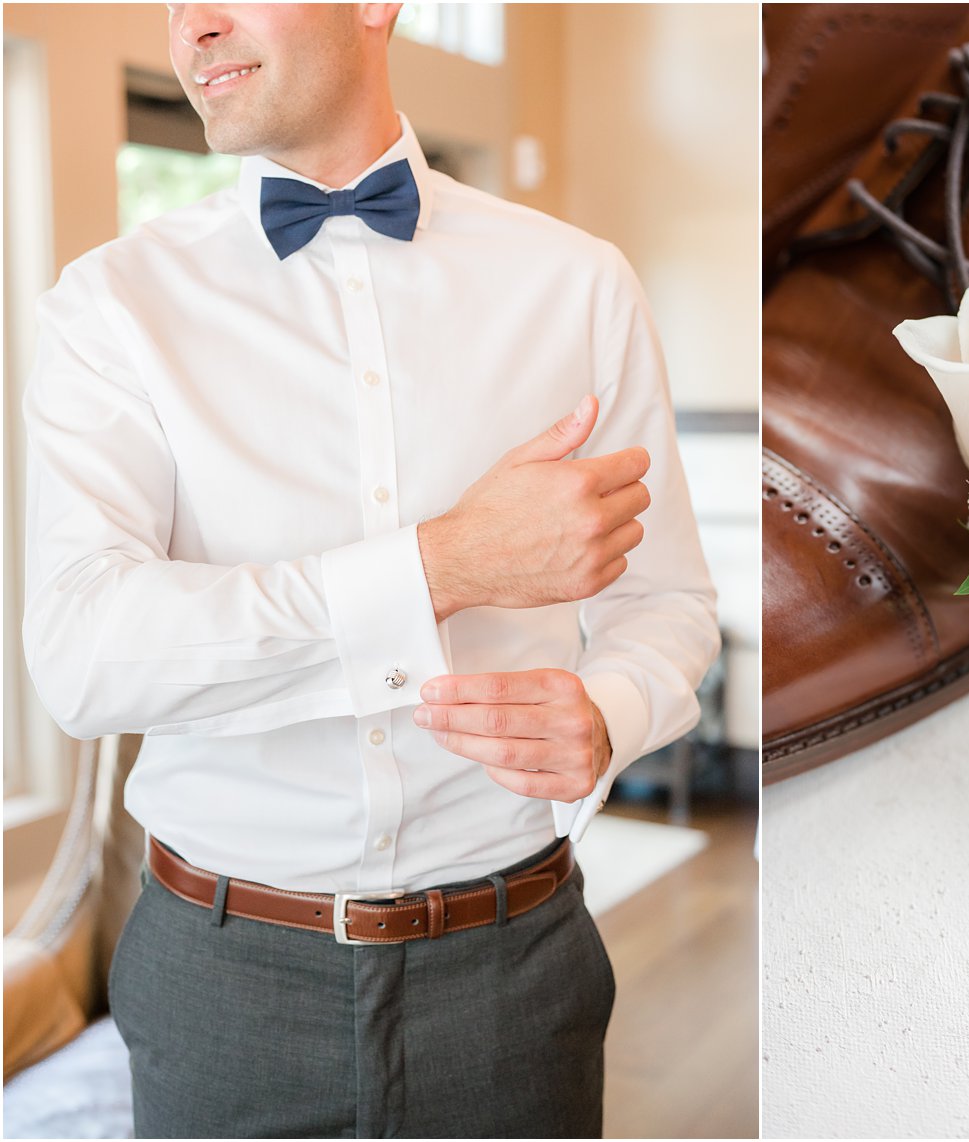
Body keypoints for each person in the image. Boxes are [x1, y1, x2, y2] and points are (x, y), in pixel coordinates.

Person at [20, 4, 720, 1137]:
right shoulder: (111, 308)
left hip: (516, 973)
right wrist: (440, 564)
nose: (191, 26)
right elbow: (83, 655)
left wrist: (607, 710)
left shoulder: (577, 285)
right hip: (220, 983)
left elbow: (669, 603)